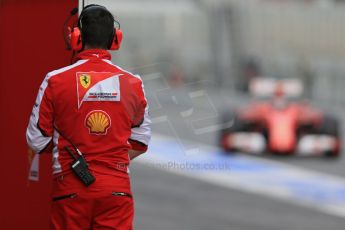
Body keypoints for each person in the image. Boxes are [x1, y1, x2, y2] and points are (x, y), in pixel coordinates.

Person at [26, 4, 151, 230]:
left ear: (76, 38)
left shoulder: (54, 80)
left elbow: (36, 140)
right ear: (115, 39)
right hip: (117, 190)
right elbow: (141, 141)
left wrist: (70, 152)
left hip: (70, 189)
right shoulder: (134, 83)